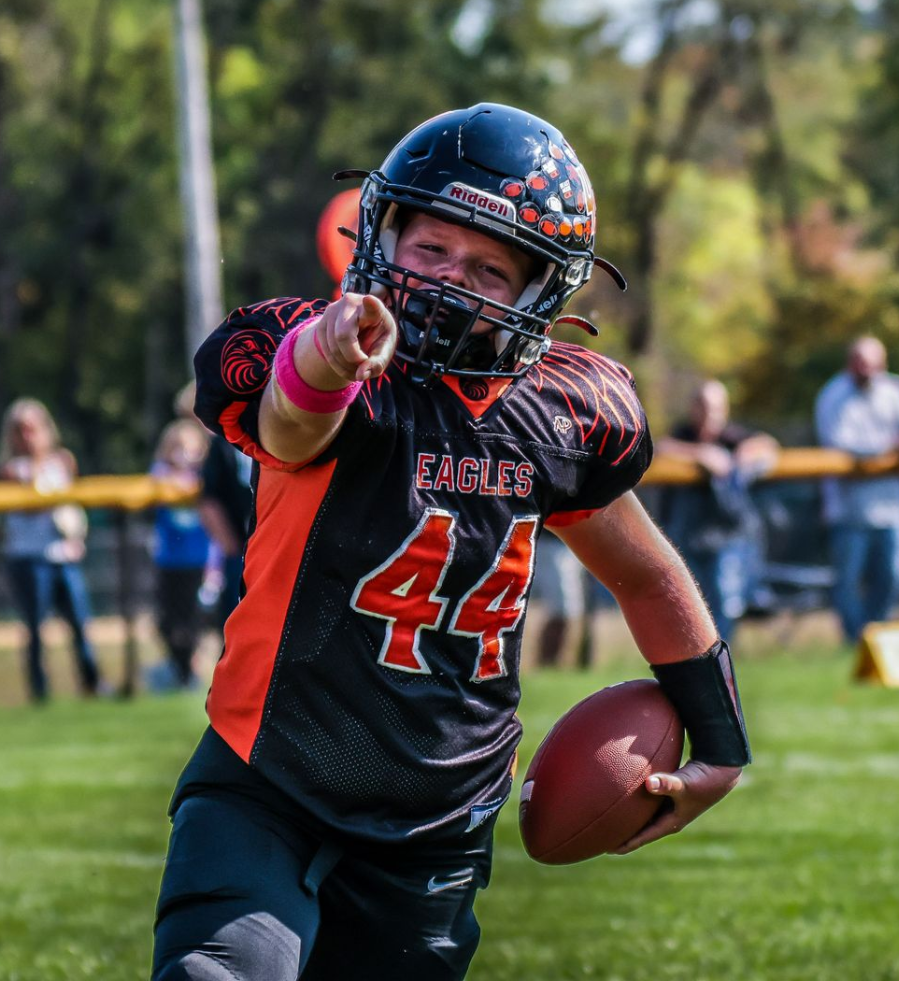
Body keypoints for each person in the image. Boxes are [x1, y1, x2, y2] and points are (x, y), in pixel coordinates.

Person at [151, 104, 751, 981]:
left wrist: (722, 747)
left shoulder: (559, 413)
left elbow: (647, 576)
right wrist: (329, 353)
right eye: (429, 248)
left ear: (540, 290)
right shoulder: (311, 356)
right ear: (380, 235)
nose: (447, 279)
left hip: (438, 822)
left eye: (488, 268)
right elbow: (289, 424)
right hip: (268, 778)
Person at [657, 380, 780, 642]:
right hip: (685, 538)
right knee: (686, 603)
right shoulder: (682, 436)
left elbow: (768, 444)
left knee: (724, 601)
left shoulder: (733, 437)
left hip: (726, 537)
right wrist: (700, 454)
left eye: (716, 408)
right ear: (693, 408)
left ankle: (719, 656)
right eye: (704, 406)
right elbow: (658, 448)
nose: (710, 414)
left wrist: (740, 457)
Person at [0, 398, 101, 702]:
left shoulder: (64, 461)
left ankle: (92, 684)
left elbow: (72, 507)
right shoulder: (11, 468)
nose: (29, 435)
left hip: (63, 556)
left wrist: (76, 536)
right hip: (28, 558)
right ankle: (40, 692)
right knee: (35, 630)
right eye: (21, 430)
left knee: (81, 624)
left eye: (34, 428)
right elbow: (32, 506)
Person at [815, 336, 899, 642]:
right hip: (847, 511)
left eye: (873, 363)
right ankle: (854, 640)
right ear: (850, 363)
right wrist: (887, 449)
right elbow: (840, 445)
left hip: (890, 508)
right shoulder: (833, 396)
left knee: (891, 577)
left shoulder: (892, 392)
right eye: (861, 362)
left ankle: (873, 637)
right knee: (847, 581)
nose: (867, 369)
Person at [149, 419, 212, 688]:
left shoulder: (204, 476)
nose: (183, 453)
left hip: (198, 562)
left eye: (188, 447)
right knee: (165, 622)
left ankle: (187, 673)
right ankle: (180, 667)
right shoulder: (161, 474)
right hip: (169, 561)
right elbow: (157, 479)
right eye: (176, 447)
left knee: (191, 622)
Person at [197, 434, 254, 625]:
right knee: (237, 618)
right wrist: (231, 546)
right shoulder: (223, 442)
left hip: (278, 548)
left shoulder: (281, 432)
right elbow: (209, 500)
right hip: (241, 551)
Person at [527, 527, 587, 667]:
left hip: (569, 543)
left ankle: (549, 664)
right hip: (549, 541)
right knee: (561, 610)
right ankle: (545, 663)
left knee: (565, 612)